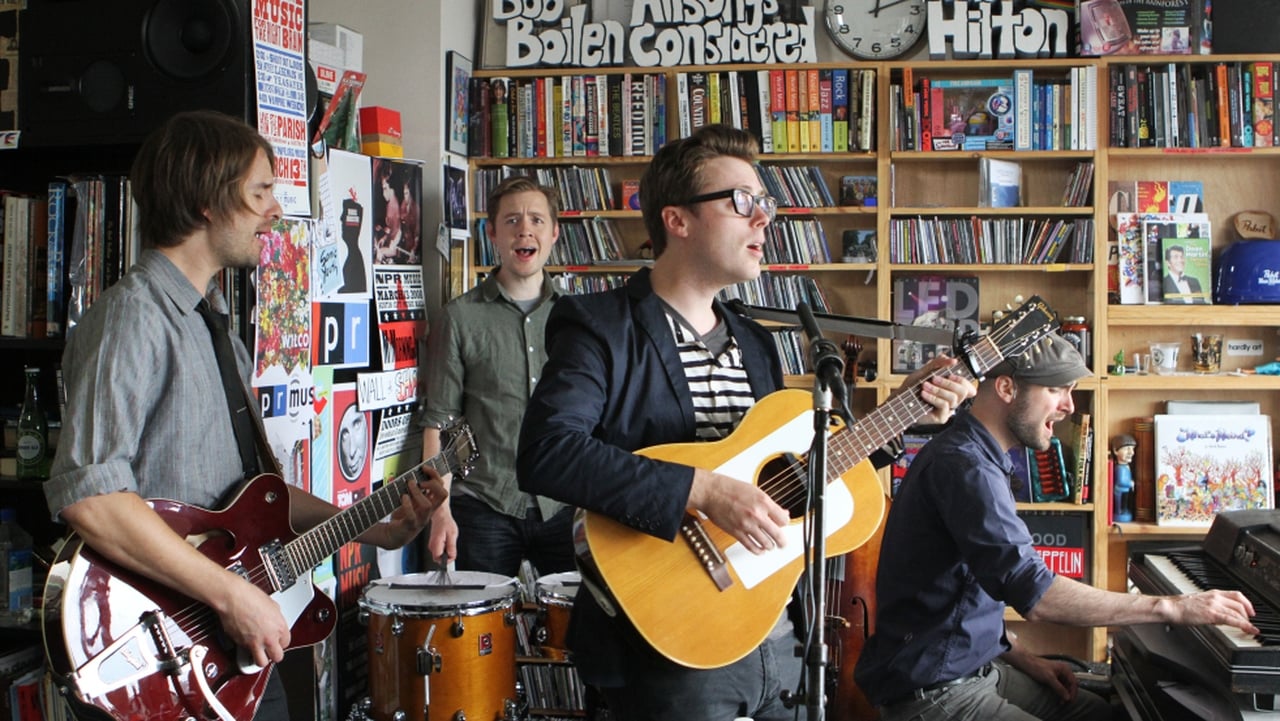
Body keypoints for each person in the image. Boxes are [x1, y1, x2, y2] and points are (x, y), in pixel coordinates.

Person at [517, 124, 974, 720]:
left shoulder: (757, 342)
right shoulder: (601, 327)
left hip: (780, 634)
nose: (764, 219)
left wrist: (905, 417)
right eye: (742, 202)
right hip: (669, 641)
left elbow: (799, 470)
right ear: (677, 220)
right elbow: (547, 451)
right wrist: (702, 490)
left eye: (767, 204)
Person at [44, 110, 444, 720]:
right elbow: (93, 497)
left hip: (231, 645)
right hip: (159, 656)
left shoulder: (217, 332)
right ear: (207, 201)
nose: (275, 211)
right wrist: (230, 593)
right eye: (260, 192)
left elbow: (254, 498)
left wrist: (377, 528)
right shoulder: (133, 319)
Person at [855, 333, 1258, 721]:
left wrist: (1029, 661)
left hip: (975, 667)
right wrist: (1171, 606)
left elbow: (967, 597)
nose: (1069, 405)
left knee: (1103, 713)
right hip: (936, 692)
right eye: (1057, 389)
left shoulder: (979, 454)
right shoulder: (965, 467)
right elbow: (1038, 595)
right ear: (1008, 389)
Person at [420, 175, 575, 578]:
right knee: (481, 640)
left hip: (566, 506)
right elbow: (440, 422)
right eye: (512, 220)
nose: (525, 228)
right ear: (491, 233)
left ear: (554, 233)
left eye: (537, 220)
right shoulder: (460, 317)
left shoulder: (579, 320)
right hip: (483, 508)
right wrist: (441, 512)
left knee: (575, 637)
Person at [1111, 433, 1136, 522]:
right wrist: (1130, 483)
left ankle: (1123, 512)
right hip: (1120, 490)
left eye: (1132, 449)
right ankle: (1120, 512)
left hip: (1126, 490)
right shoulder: (1120, 468)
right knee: (1121, 505)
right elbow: (1120, 481)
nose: (1131, 452)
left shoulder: (1126, 466)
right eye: (1127, 449)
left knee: (1125, 504)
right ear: (1115, 451)